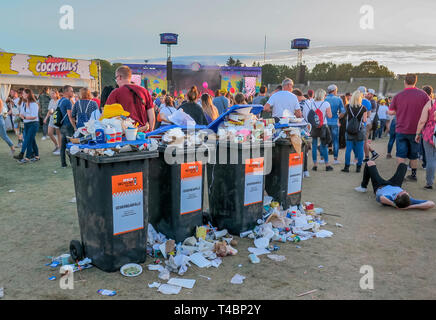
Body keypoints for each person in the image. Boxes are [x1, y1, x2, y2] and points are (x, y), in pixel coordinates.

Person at [388, 74, 431, 182]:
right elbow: (430, 108)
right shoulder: (423, 95)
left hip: (401, 128)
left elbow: (391, 111)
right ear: (415, 81)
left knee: (400, 153)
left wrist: (399, 110)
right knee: (414, 154)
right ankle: (413, 174)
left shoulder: (398, 95)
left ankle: (400, 175)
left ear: (405, 82)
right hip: (416, 130)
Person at [354, 161, 434, 210]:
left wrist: (394, 205)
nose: (405, 191)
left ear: (396, 197)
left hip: (380, 185)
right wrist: (408, 207)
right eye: (405, 192)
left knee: (370, 163)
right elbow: (431, 204)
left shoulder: (388, 198)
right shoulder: (409, 200)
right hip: (395, 184)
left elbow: (380, 198)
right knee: (403, 165)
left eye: (403, 192)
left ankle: (363, 186)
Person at [106, 66, 155, 131]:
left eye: (116, 78)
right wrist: (150, 132)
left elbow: (108, 117)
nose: (116, 81)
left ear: (119, 77)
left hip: (124, 137)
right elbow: (152, 116)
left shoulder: (115, 93)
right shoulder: (144, 91)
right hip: (143, 135)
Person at [341, 91, 367, 173]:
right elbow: (364, 120)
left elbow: (345, 116)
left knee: (348, 149)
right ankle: (358, 167)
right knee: (360, 149)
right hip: (359, 130)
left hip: (349, 130)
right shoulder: (363, 108)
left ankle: (346, 167)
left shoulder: (348, 107)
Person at [415, 86, 436, 189]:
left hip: (430, 134)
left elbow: (422, 121)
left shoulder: (430, 103)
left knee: (431, 159)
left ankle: (429, 183)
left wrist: (417, 134)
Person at [310, 89, 333, 171]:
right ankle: (327, 165)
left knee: (314, 146)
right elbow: (330, 116)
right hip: (323, 125)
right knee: (324, 145)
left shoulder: (312, 103)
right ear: (323, 95)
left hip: (314, 126)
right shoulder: (326, 103)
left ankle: (315, 165)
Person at [16, 89, 39, 163]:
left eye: (23, 93)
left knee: (29, 140)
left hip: (33, 124)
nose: (22, 95)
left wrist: (25, 117)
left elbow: (34, 116)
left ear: (28, 94)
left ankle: (27, 157)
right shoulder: (24, 103)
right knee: (32, 141)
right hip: (26, 124)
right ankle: (37, 156)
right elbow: (22, 113)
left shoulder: (34, 104)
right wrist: (21, 115)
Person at [357, 86, 379, 162]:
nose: (367, 95)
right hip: (367, 122)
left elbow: (369, 115)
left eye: (369, 94)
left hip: (366, 123)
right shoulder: (369, 101)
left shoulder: (370, 102)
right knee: (364, 141)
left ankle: (367, 157)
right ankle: (373, 152)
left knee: (364, 141)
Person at [325, 84, 346, 165]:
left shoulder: (325, 98)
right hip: (334, 122)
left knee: (325, 140)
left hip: (326, 122)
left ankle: (324, 158)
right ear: (334, 90)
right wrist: (338, 118)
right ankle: (335, 159)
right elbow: (343, 111)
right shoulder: (338, 99)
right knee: (335, 141)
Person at [293, 88, 310, 178]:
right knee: (305, 150)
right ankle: (305, 171)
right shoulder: (310, 102)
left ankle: (302, 170)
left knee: (300, 150)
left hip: (300, 129)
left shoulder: (297, 103)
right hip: (308, 129)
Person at [58, 85, 76, 168]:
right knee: (71, 145)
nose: (72, 92)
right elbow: (70, 116)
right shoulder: (67, 102)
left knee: (63, 146)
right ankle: (73, 162)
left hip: (61, 126)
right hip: (68, 126)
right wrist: (74, 126)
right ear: (66, 92)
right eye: (71, 91)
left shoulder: (60, 100)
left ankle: (63, 163)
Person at [44, 89, 62, 155]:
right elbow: (49, 111)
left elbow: (60, 111)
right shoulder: (51, 101)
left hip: (57, 119)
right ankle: (56, 145)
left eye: (53, 93)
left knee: (58, 134)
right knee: (49, 133)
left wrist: (54, 112)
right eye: (50, 93)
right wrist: (46, 118)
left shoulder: (60, 101)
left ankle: (60, 148)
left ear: (56, 94)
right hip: (51, 119)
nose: (51, 95)